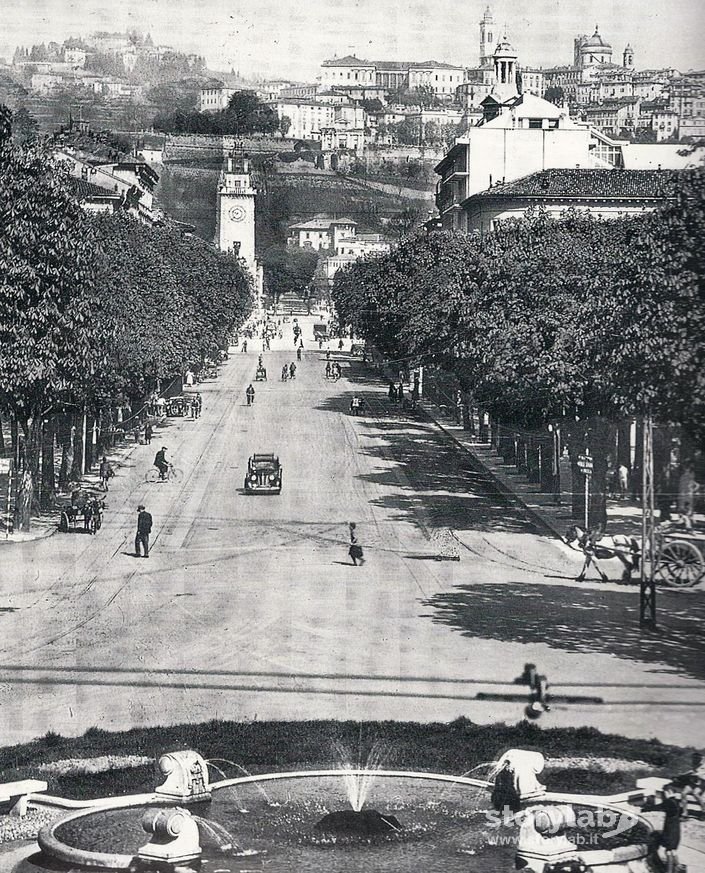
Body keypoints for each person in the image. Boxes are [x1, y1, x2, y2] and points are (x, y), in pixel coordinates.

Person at [659, 783, 681, 873]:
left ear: (668, 792)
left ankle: (669, 871)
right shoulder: (676, 802)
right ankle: (679, 868)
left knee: (668, 852)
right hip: (676, 830)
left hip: (670, 830)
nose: (664, 795)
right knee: (673, 851)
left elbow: (659, 807)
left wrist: (644, 809)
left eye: (664, 793)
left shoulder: (669, 802)